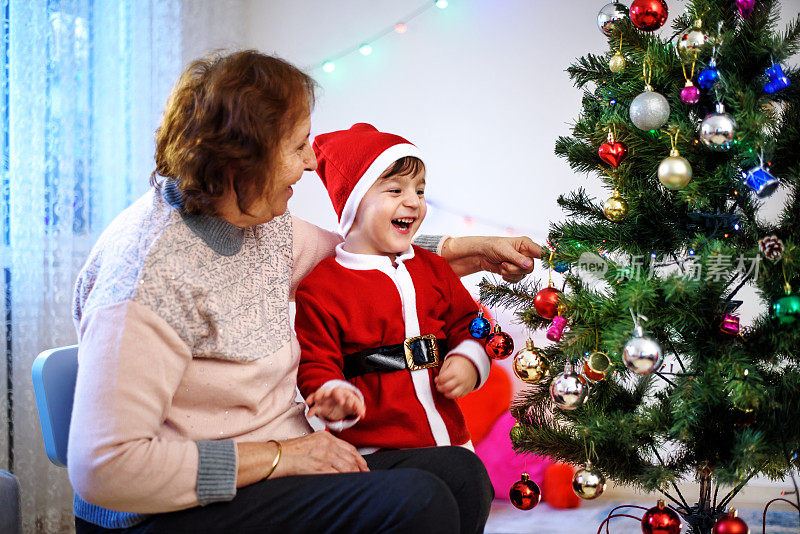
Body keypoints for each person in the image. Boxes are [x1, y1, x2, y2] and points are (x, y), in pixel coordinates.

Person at [68, 50, 541, 534]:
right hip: (171, 509)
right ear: (242, 162)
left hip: (278, 467)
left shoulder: (258, 223)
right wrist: (278, 457)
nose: (312, 163)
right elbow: (106, 470)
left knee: (461, 475)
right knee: (418, 503)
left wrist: (469, 249)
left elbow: (360, 259)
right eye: (297, 147)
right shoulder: (148, 277)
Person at [295, 123, 491, 464]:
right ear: (354, 203)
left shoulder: (433, 268)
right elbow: (315, 361)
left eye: (419, 191)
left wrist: (469, 359)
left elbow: (471, 323)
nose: (413, 202)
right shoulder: (323, 285)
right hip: (374, 450)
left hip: (449, 438)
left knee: (470, 491)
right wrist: (331, 392)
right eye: (395, 190)